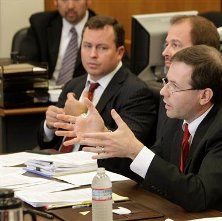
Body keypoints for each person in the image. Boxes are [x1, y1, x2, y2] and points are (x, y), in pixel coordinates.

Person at [54, 45, 222, 219]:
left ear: (204, 96)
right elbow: (152, 167)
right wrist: (104, 137)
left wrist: (136, 150)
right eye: (166, 81)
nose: (163, 92)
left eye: (174, 86)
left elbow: (199, 195)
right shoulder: (180, 118)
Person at [37, 15, 157, 151]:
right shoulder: (73, 85)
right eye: (87, 46)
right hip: (56, 164)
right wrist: (49, 126)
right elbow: (45, 143)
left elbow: (127, 152)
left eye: (102, 48)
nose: (92, 54)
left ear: (120, 52)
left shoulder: (136, 93)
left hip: (96, 169)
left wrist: (83, 116)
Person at [140, 15, 222, 138]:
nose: (165, 52)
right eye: (166, 44)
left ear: (201, 50)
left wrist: (135, 150)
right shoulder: (169, 88)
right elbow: (162, 146)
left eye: (175, 45)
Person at [19, 0, 96, 87]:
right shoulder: (40, 23)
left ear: (89, 1)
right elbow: (26, 63)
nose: (70, 6)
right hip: (45, 90)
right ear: (55, 2)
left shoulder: (101, 30)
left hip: (81, 93)